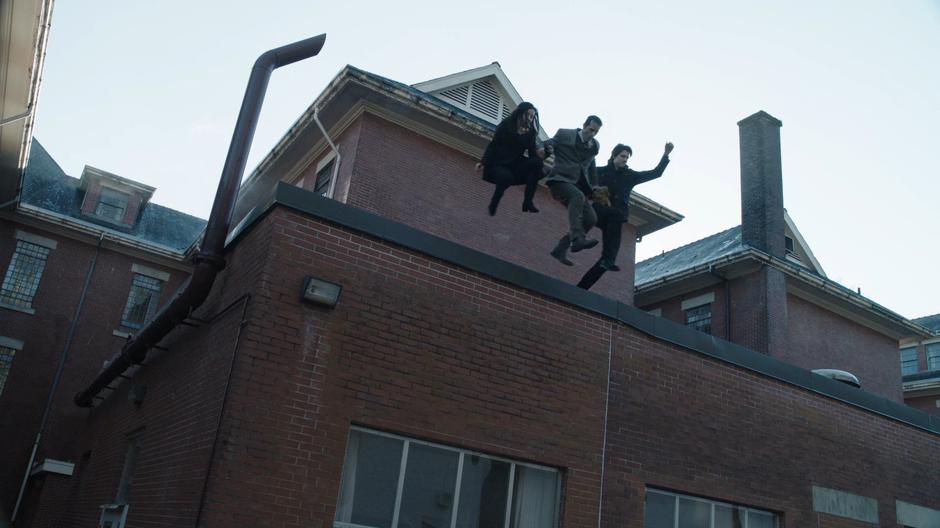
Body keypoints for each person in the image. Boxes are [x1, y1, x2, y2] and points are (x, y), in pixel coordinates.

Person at [577, 142, 674, 290]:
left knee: (608, 260)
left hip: (615, 218)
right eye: (622, 156)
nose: (625, 159)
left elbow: (655, 173)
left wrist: (666, 155)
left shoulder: (630, 176)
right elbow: (581, 181)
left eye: (627, 158)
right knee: (615, 215)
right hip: (600, 212)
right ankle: (577, 239)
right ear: (614, 155)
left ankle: (583, 286)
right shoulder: (599, 171)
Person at [545, 115, 603, 266]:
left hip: (576, 185)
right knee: (577, 196)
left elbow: (591, 165)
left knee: (591, 218)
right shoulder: (565, 134)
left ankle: (560, 249)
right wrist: (545, 148)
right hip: (559, 180)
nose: (592, 134)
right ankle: (577, 239)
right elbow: (551, 142)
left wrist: (595, 184)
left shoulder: (594, 146)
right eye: (590, 130)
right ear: (584, 125)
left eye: (595, 132)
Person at [476, 102, 544, 215]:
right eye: (529, 115)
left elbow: (532, 153)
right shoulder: (507, 124)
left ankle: (528, 202)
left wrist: (541, 157)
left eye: (532, 117)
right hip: (498, 163)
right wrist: (483, 162)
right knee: (506, 178)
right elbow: (494, 144)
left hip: (515, 165)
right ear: (521, 113)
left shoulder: (530, 133)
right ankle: (494, 203)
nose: (530, 119)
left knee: (537, 163)